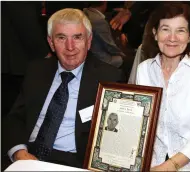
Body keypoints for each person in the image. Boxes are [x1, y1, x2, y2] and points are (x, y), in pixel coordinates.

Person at [3, 8, 126, 169]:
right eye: (61, 38)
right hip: (27, 155)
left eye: (77, 37)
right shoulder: (36, 71)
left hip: (75, 162)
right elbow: (15, 118)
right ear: (51, 43)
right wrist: (19, 152)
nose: (70, 47)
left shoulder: (110, 78)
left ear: (89, 41)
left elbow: (116, 134)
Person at [136, 3, 190, 171]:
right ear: (155, 34)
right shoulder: (144, 70)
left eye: (180, 30)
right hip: (149, 160)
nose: (172, 38)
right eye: (165, 29)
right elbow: (140, 122)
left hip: (188, 165)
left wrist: (170, 165)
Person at [83, 1, 125, 68]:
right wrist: (123, 55)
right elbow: (110, 46)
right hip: (100, 59)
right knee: (126, 61)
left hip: (89, 56)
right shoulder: (98, 21)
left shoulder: (85, 12)